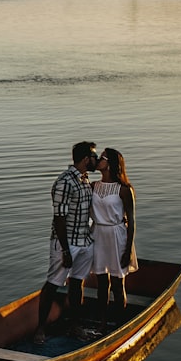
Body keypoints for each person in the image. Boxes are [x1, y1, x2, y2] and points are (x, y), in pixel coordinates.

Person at [34, 141, 99, 344]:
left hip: (84, 241)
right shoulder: (65, 182)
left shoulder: (85, 180)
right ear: (86, 158)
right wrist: (65, 250)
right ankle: (40, 329)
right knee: (53, 283)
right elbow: (59, 218)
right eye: (94, 157)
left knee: (77, 284)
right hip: (67, 243)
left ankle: (75, 326)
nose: (96, 161)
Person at [91, 147, 137, 324]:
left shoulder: (124, 189)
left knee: (118, 284)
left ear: (109, 164)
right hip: (98, 234)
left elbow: (131, 221)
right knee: (102, 283)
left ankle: (120, 323)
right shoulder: (93, 186)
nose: (98, 161)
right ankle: (102, 321)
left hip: (117, 236)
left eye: (101, 158)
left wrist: (128, 251)